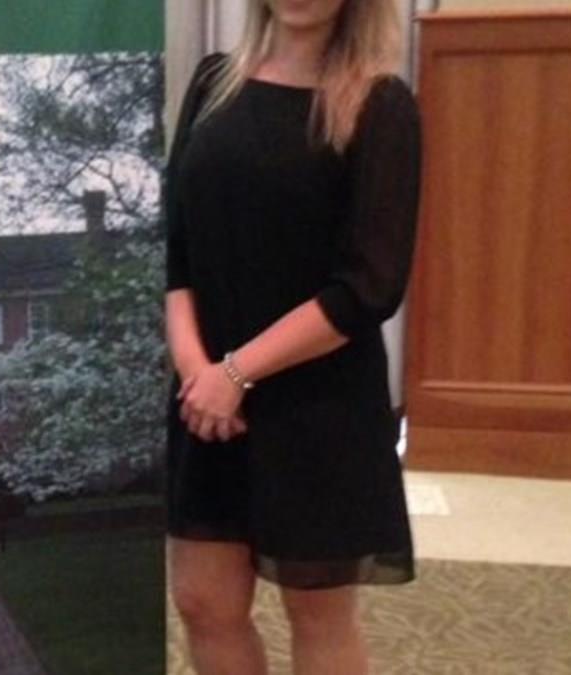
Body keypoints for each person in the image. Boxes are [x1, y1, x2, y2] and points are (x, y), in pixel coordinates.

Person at [163, 1, 421, 673]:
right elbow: (176, 251)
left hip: (319, 403)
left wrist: (236, 372)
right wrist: (199, 375)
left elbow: (367, 287)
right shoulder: (212, 84)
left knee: (317, 614)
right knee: (203, 602)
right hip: (208, 402)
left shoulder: (380, 105)